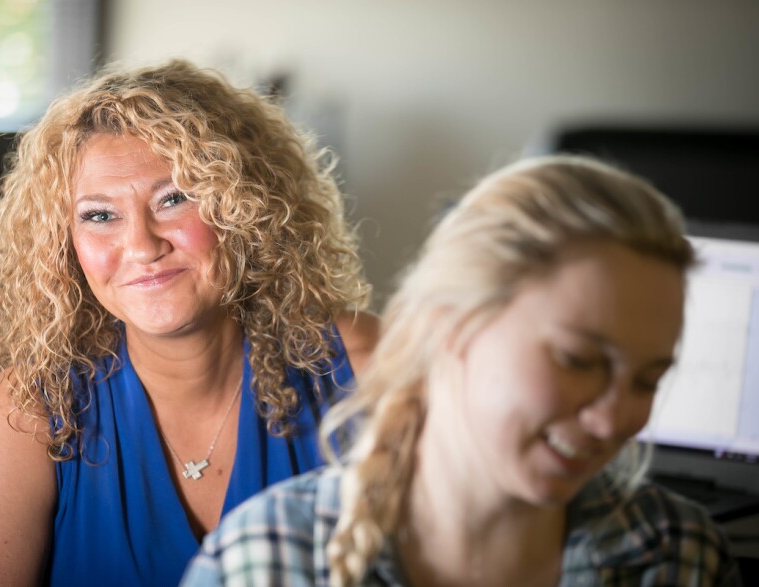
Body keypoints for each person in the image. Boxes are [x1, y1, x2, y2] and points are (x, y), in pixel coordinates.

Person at [182, 155, 743, 586]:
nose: (614, 419)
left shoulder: (678, 557)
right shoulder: (265, 562)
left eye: (648, 380)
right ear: (448, 325)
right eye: (578, 360)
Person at [0, 59, 378, 586]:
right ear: (62, 246)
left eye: (174, 199)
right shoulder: (24, 417)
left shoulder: (360, 364)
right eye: (100, 215)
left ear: (245, 211)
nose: (143, 246)